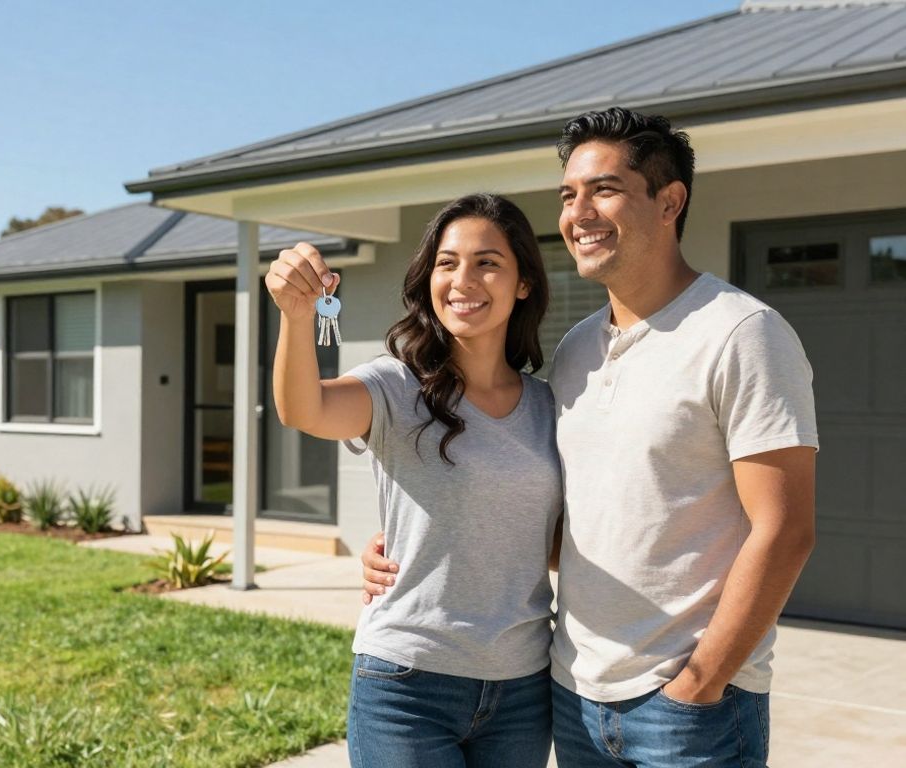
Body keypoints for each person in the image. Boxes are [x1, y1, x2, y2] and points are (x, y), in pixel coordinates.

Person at [361, 107, 818, 768]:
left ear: (670, 202)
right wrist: (415, 544)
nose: (579, 212)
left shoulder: (742, 333)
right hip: (574, 698)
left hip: (690, 710)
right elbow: (568, 523)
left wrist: (701, 683)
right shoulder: (577, 351)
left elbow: (785, 530)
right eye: (568, 196)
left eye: (604, 189)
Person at [266, 193, 558, 768]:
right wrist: (296, 318)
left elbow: (554, 536)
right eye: (447, 263)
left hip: (524, 686)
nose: (463, 279)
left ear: (523, 283)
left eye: (488, 262)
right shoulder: (397, 387)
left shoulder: (551, 405)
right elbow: (305, 410)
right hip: (407, 682)